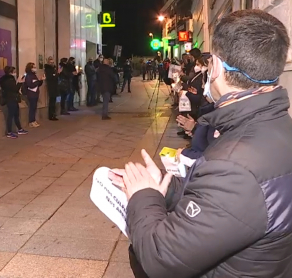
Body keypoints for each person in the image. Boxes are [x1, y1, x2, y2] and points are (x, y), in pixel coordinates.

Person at [109, 10, 292, 278]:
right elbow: (222, 206)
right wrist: (165, 186)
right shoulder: (276, 126)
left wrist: (143, 196)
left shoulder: (236, 166)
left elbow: (161, 258)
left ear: (215, 67)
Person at [0, 66, 28, 138]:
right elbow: (14, 89)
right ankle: (9, 132)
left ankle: (20, 129)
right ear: (10, 72)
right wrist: (19, 83)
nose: (15, 73)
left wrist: (18, 82)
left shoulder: (10, 79)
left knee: (16, 115)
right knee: (10, 116)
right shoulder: (8, 80)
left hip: (14, 99)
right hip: (10, 100)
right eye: (14, 72)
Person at [24, 62, 44, 127]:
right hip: (31, 94)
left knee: (34, 107)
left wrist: (41, 80)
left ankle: (33, 120)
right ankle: (31, 121)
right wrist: (38, 82)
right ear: (30, 68)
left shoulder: (34, 75)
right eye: (34, 67)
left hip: (35, 93)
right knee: (32, 108)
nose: (35, 68)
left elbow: (38, 84)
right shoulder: (28, 76)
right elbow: (30, 85)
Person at [44, 57, 59, 121]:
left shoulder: (54, 68)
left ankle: (53, 114)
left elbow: (55, 76)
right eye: (51, 62)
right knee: (51, 101)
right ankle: (51, 115)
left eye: (53, 62)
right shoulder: (48, 69)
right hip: (51, 86)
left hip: (55, 86)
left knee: (54, 101)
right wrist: (56, 74)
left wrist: (55, 74)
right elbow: (51, 77)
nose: (52, 64)